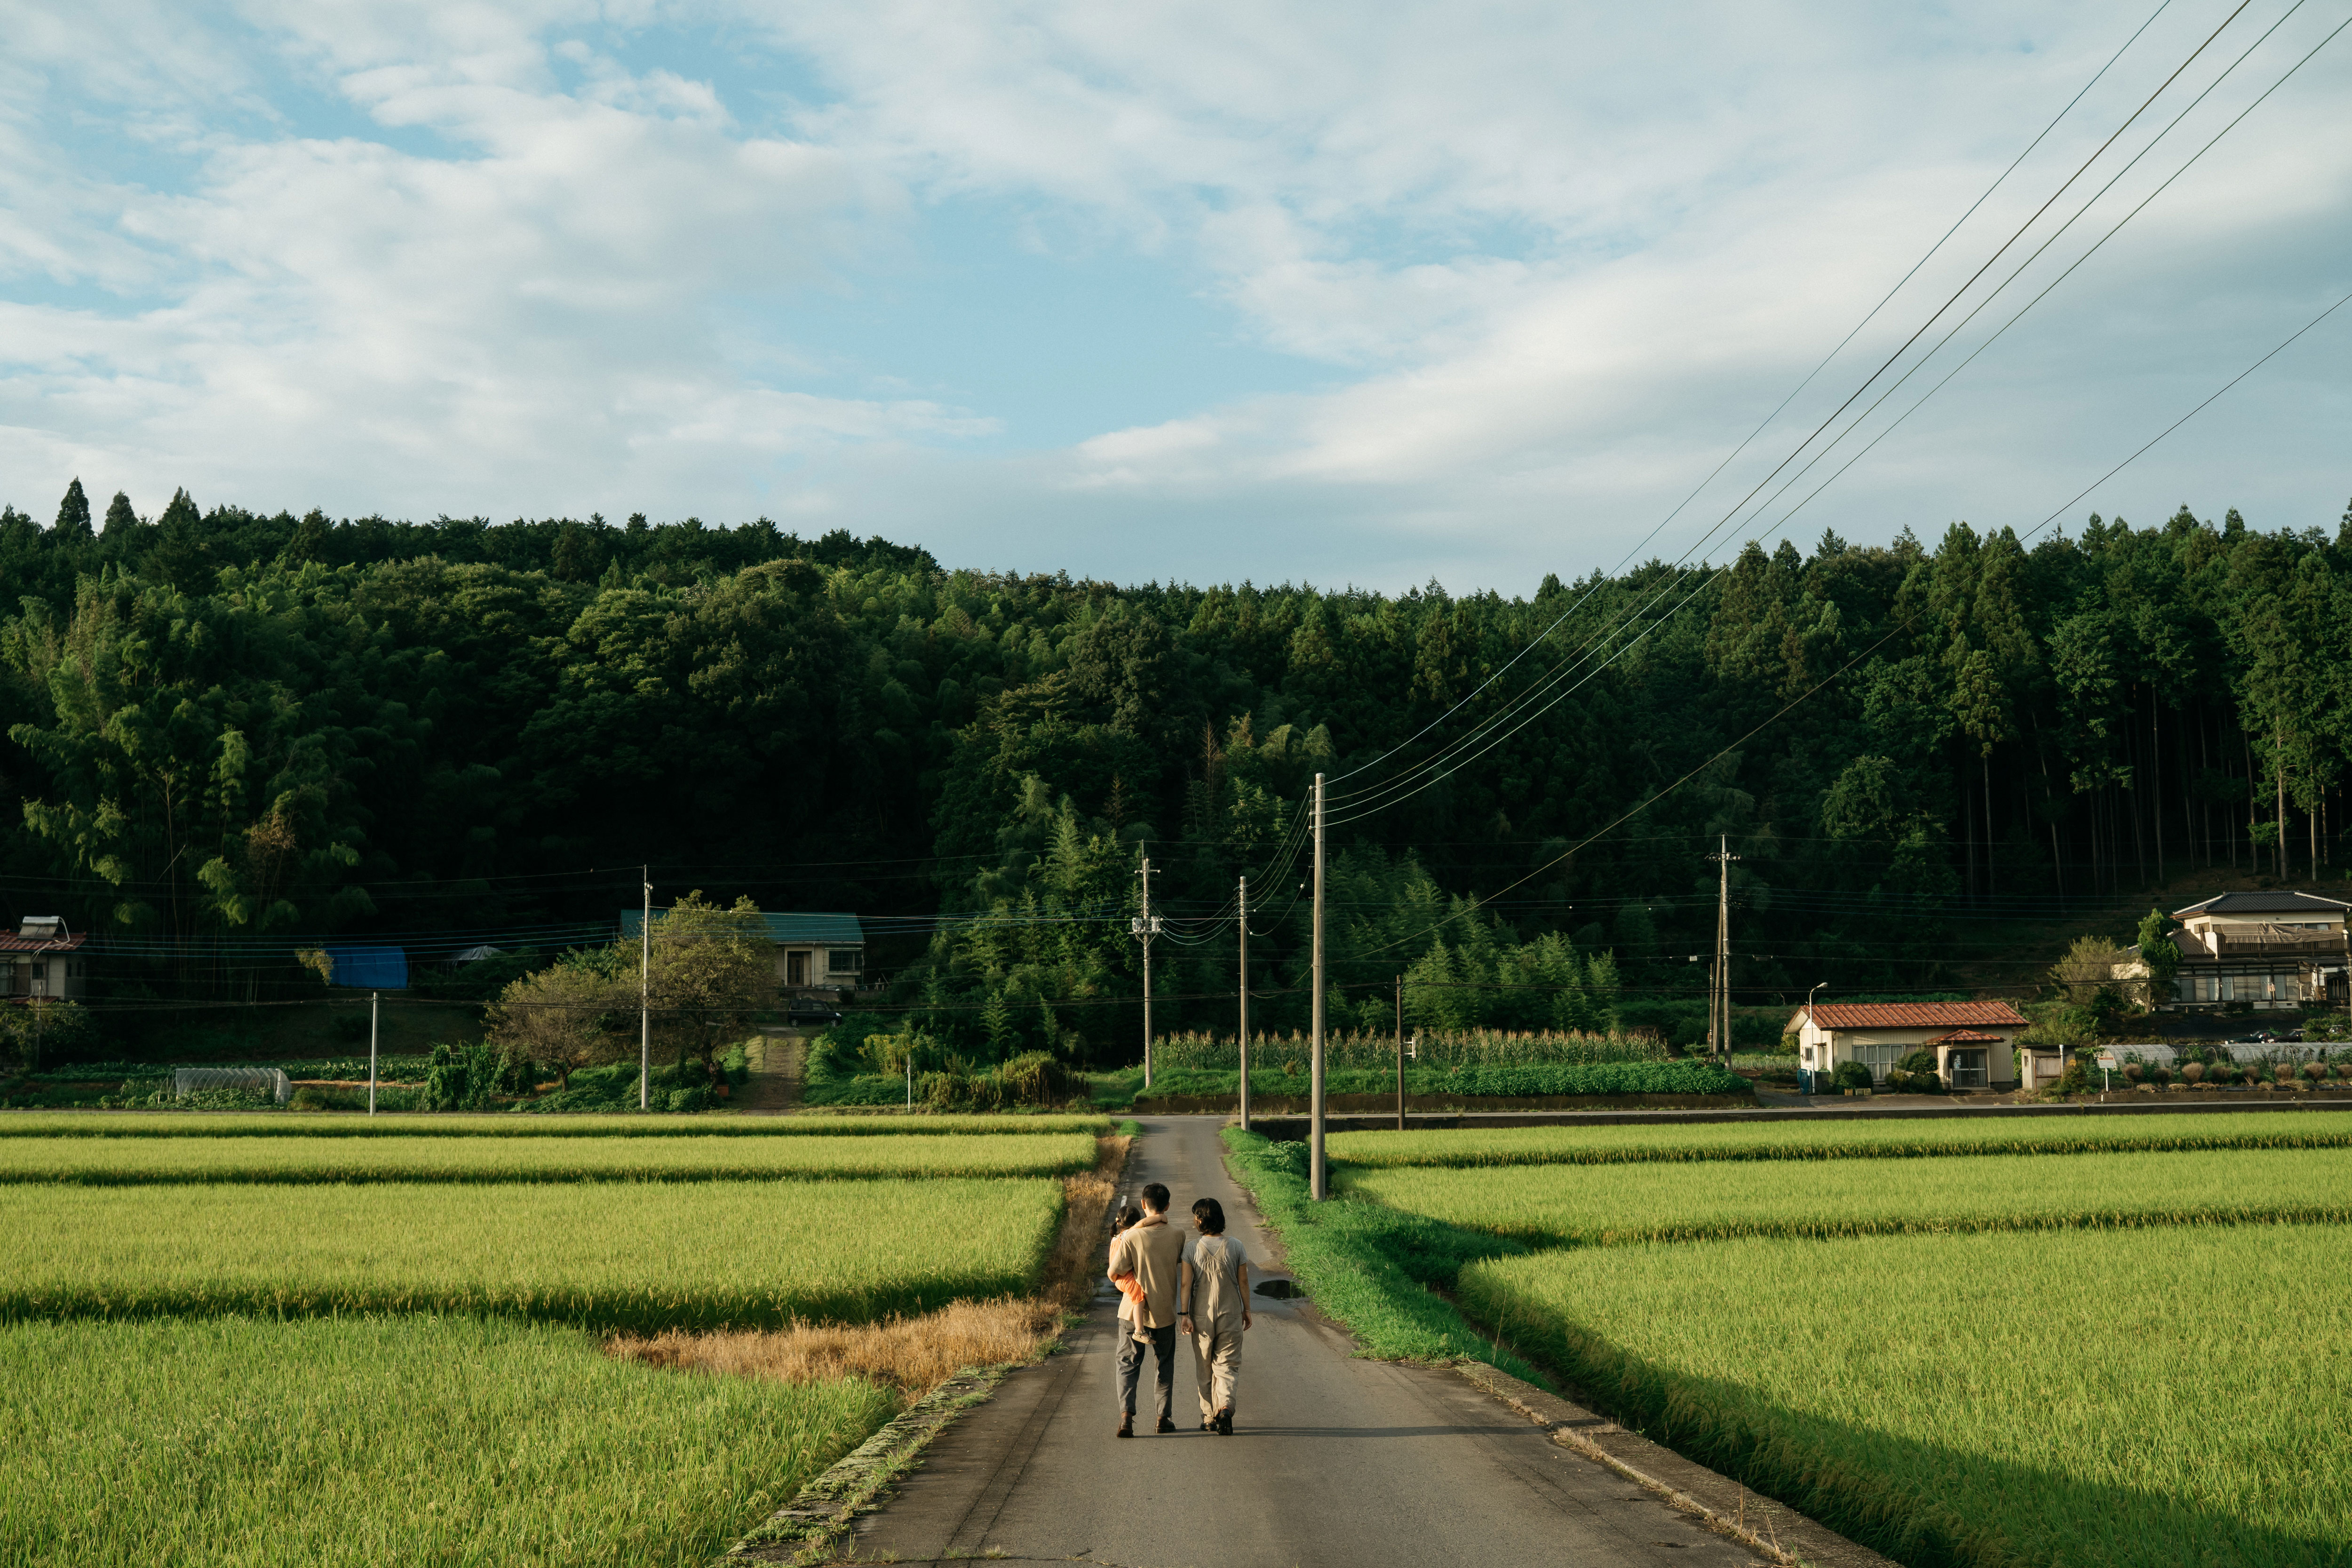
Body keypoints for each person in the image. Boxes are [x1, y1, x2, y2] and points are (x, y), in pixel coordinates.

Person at [1105, 1181, 1185, 1437]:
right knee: (1165, 1365)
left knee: (1128, 1364)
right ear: (1168, 1206)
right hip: (1165, 1313)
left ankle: (1126, 1418)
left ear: (1143, 1204)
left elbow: (1115, 1271)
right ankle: (1163, 1418)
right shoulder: (1179, 1235)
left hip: (1131, 1312)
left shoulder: (1131, 1237)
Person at [1178, 1196, 1250, 1435]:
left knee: (1204, 1367)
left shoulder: (1191, 1249)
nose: (1194, 1220)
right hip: (1231, 1314)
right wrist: (1247, 1310)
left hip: (1201, 1317)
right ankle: (1226, 1407)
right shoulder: (1237, 1246)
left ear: (1201, 1220)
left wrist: (1184, 1314)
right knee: (1227, 1365)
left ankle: (1209, 1416)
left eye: (1195, 1216)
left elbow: (1186, 1285)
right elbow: (1243, 1282)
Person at [1108, 1202, 1149, 1344]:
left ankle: (1139, 1329)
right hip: (1123, 1277)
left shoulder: (1116, 1237)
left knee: (1138, 1295)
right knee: (1139, 1297)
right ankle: (1139, 1330)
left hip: (1119, 1277)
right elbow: (1142, 1225)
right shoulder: (1129, 1235)